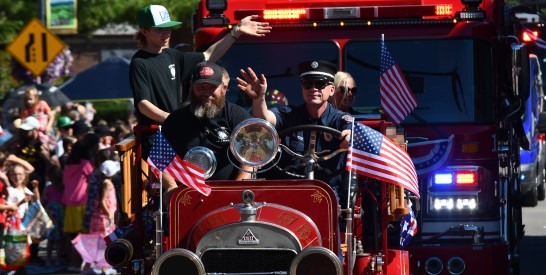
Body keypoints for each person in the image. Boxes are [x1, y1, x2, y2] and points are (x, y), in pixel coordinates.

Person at [130, 4, 270, 195]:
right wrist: (173, 119)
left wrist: (235, 32)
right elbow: (143, 104)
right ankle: (172, 197)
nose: (166, 33)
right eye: (160, 29)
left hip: (178, 123)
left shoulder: (172, 55)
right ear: (144, 31)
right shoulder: (139, 62)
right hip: (157, 131)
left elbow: (208, 56)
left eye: (168, 28)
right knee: (163, 162)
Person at [238, 60, 352, 198]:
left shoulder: (340, 119)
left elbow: (349, 131)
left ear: (332, 90)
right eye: (308, 84)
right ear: (302, 88)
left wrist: (348, 136)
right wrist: (259, 98)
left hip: (327, 193)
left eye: (320, 84)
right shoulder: (289, 114)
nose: (313, 89)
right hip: (289, 190)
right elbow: (265, 119)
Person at [162, 61, 252, 181]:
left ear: (223, 88)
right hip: (185, 192)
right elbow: (161, 159)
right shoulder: (175, 120)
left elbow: (250, 160)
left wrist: (236, 190)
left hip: (228, 193)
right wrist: (171, 188)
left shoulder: (238, 116)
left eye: (212, 88)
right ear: (191, 87)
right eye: (201, 87)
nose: (207, 93)